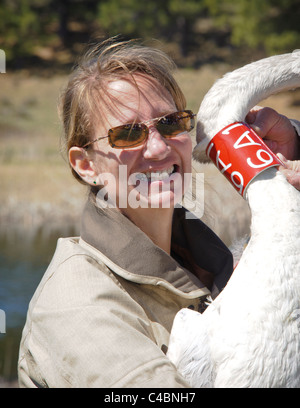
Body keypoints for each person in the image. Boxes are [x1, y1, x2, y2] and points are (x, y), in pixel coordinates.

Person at [18, 38, 300, 388]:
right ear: (86, 165)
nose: (158, 147)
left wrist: (286, 177)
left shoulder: (216, 265)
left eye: (170, 123)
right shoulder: (76, 304)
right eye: (127, 134)